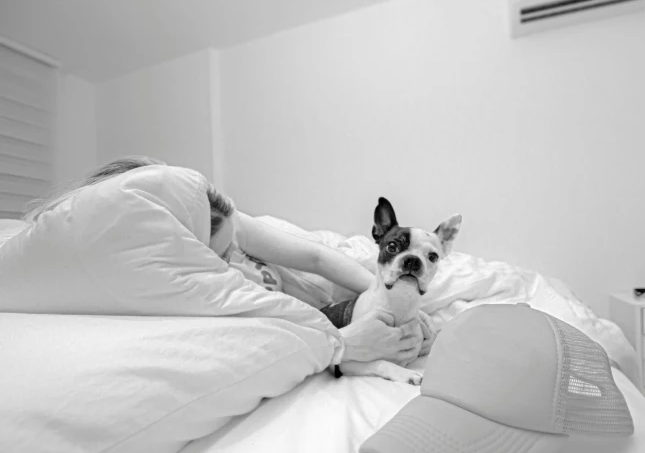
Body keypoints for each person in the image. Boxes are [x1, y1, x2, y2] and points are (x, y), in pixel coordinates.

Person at [24, 156, 433, 365]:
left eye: (233, 244)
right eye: (221, 256)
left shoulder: (221, 218)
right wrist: (343, 345)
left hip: (321, 296)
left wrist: (390, 296)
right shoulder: (175, 285)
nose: (235, 257)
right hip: (318, 316)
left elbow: (313, 255)